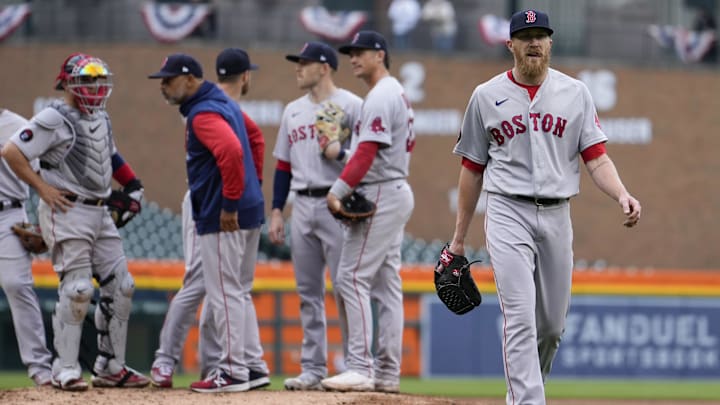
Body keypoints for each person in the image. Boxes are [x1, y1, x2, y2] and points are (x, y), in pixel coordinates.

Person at [446, 10, 641, 405]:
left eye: (541, 35)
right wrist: (458, 240)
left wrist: (621, 193)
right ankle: (527, 401)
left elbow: (597, 158)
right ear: (510, 45)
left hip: (556, 212)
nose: (534, 42)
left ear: (551, 43)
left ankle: (523, 390)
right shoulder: (486, 96)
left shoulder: (575, 93)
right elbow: (471, 169)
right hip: (506, 211)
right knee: (519, 317)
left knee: (551, 326)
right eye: (525, 36)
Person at [1, 53, 150, 391]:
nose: (94, 88)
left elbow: (110, 155)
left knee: (122, 286)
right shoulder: (53, 117)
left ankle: (110, 365)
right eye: (86, 81)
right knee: (79, 288)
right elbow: (12, 151)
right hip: (67, 210)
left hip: (99, 211)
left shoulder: (101, 117)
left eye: (98, 81)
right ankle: (64, 367)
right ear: (67, 82)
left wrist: (133, 184)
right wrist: (42, 189)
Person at [149, 48, 269, 391]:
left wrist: (231, 201)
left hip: (222, 213)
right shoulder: (223, 100)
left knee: (224, 293)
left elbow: (232, 150)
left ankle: (231, 371)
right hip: (247, 207)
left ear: (190, 79)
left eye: (169, 81)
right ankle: (254, 365)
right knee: (239, 291)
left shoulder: (202, 113)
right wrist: (250, 189)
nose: (163, 87)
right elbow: (256, 140)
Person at [320, 30, 415, 393]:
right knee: (387, 285)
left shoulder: (380, 95)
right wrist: (338, 154)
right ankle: (388, 374)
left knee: (352, 277)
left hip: (380, 193)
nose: (353, 58)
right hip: (391, 186)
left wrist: (338, 190)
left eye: (360, 52)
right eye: (351, 53)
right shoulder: (394, 94)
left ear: (380, 55)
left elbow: (368, 153)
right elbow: (372, 154)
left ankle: (360, 365)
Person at [268, 41, 362, 391]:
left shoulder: (352, 105)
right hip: (302, 204)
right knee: (308, 292)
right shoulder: (293, 110)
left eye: (304, 63)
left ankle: (356, 364)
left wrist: (340, 152)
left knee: (344, 289)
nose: (298, 68)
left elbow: (369, 156)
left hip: (338, 203)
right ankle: (312, 367)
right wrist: (277, 210)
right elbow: (282, 165)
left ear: (324, 67)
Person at [0, 108, 53, 387]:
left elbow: (44, 177)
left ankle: (39, 367)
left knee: (17, 285)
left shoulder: (18, 125)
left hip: (8, 213)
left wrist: (44, 217)